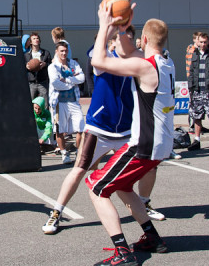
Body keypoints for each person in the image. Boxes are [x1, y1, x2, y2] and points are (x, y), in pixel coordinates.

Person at [85, 0, 176, 266]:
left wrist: (105, 25)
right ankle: (151, 237)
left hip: (143, 145)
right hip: (159, 144)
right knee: (123, 187)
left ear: (145, 38)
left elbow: (97, 60)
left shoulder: (146, 67)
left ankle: (122, 253)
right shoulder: (165, 61)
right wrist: (122, 25)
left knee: (96, 186)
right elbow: (128, 51)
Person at [42, 28, 143, 235]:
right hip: (100, 128)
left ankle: (145, 216)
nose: (130, 42)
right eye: (125, 38)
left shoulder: (135, 63)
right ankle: (56, 212)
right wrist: (109, 26)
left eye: (132, 39)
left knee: (129, 180)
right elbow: (93, 55)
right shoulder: (104, 59)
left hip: (125, 131)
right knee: (79, 170)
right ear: (113, 43)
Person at [48, 41, 85, 164]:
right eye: (61, 51)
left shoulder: (73, 63)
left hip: (74, 101)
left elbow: (82, 78)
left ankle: (79, 152)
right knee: (60, 130)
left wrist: (68, 79)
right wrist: (71, 83)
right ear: (56, 52)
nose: (64, 53)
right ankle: (64, 153)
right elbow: (56, 83)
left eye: (65, 51)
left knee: (80, 127)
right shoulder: (52, 67)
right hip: (59, 103)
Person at [187, 32, 209, 151]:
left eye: (204, 42)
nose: (202, 44)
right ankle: (197, 140)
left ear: (208, 42)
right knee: (197, 116)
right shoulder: (195, 55)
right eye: (201, 42)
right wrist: (191, 87)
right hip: (197, 90)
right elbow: (191, 72)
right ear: (198, 42)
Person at [25, 31, 52, 103]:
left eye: (37, 38)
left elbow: (51, 65)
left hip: (42, 82)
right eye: (34, 39)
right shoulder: (26, 55)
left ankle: (45, 114)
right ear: (30, 42)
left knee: (45, 104)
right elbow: (22, 67)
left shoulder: (46, 53)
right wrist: (26, 66)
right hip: (32, 82)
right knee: (31, 104)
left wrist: (45, 64)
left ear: (39, 41)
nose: (36, 40)